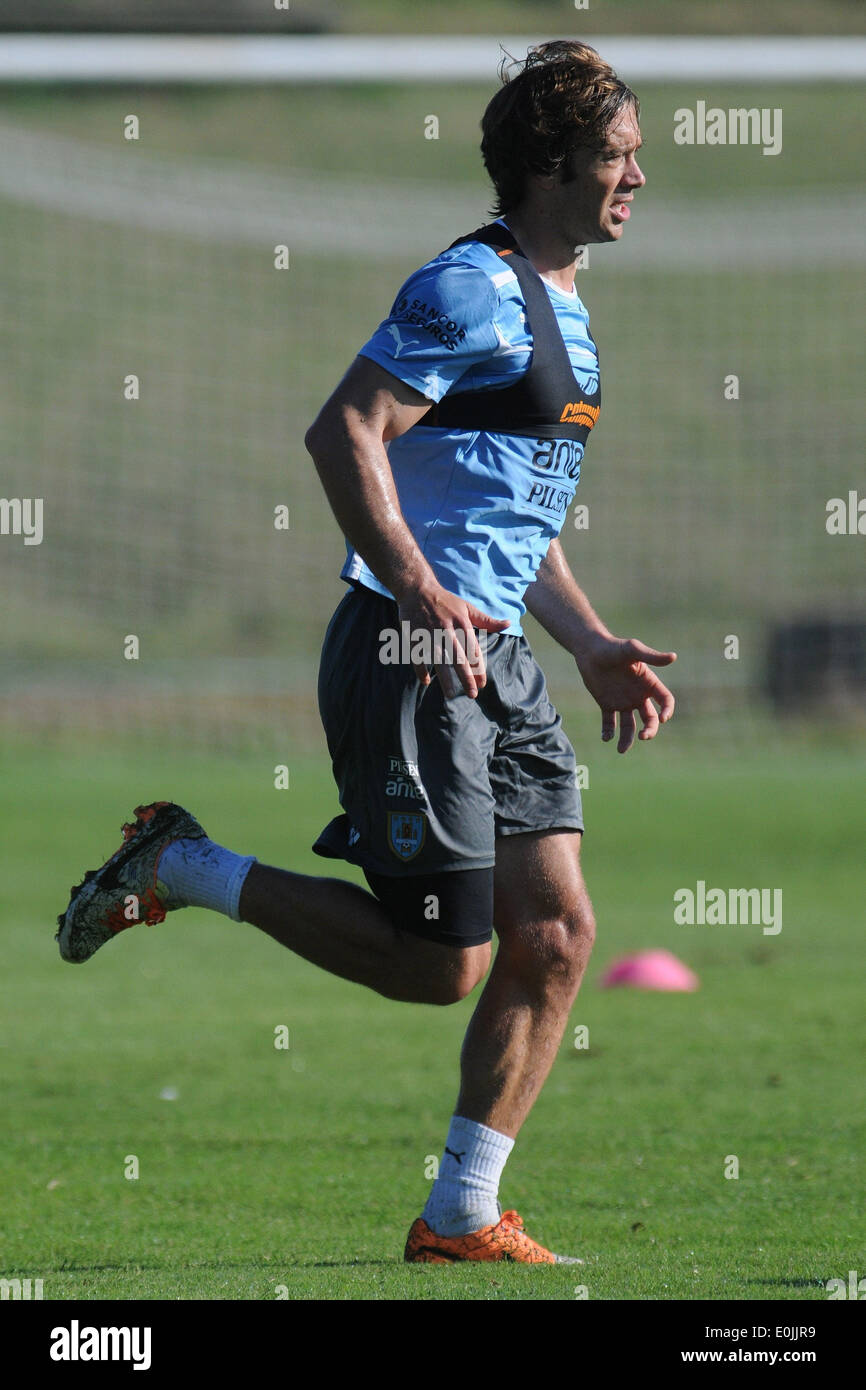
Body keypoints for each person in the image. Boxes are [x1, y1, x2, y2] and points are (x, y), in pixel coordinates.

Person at [56, 40, 675, 1265]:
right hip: (407, 650)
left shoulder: (571, 313)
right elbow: (343, 430)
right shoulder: (467, 287)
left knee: (553, 938)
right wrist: (415, 586)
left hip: (499, 661)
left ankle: (459, 1216)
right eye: (617, 156)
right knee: (441, 966)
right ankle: (181, 865)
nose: (637, 177)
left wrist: (592, 639)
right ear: (549, 165)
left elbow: (507, 518)